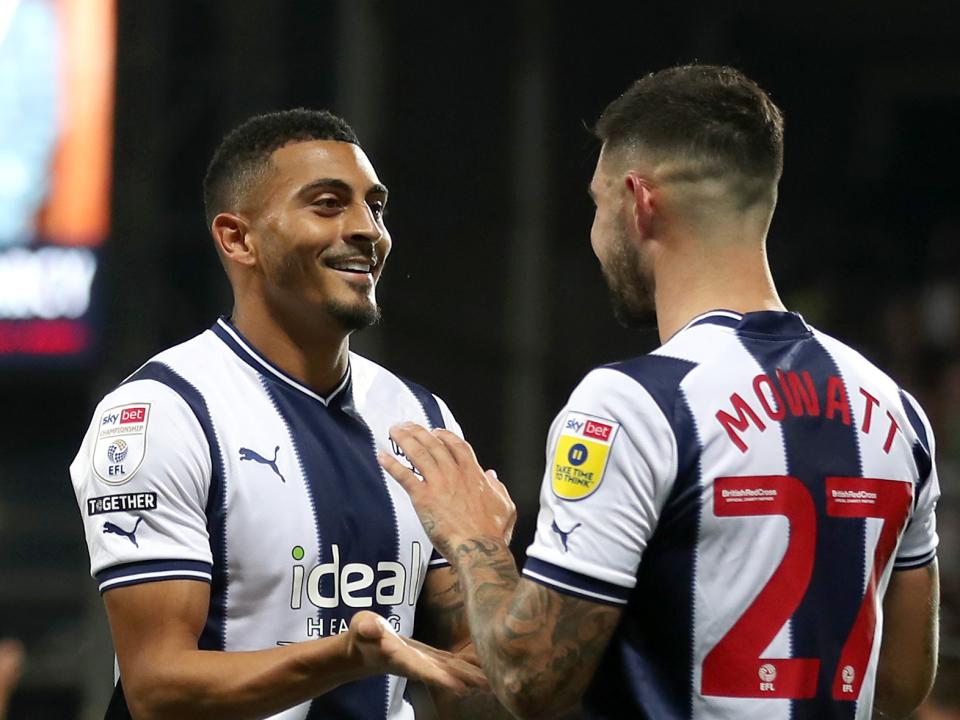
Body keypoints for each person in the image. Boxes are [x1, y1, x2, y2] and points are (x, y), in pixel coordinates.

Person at [380, 64, 941, 720]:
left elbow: (533, 681)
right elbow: (901, 681)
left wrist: (471, 535)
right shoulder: (896, 411)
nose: (595, 233)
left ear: (638, 200)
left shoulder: (635, 404)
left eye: (596, 204)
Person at [70, 109, 493, 719]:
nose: (367, 230)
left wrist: (488, 558)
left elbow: (472, 690)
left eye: (375, 207)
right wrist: (346, 656)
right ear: (238, 238)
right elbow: (156, 687)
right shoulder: (161, 414)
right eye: (327, 204)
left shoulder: (422, 419)